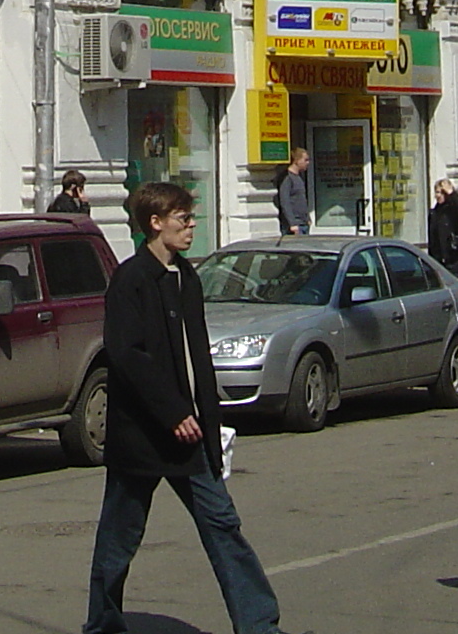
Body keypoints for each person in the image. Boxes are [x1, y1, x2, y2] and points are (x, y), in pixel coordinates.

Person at [84, 181, 282, 634]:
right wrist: (173, 412)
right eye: (183, 219)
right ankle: (102, 625)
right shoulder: (131, 280)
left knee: (223, 526)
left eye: (191, 218)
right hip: (145, 437)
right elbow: (128, 356)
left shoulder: (186, 276)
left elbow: (195, 360)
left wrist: (209, 422)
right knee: (119, 539)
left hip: (193, 437)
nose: (191, 226)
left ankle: (259, 626)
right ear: (155, 223)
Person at [428, 179, 458, 271]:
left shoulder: (453, 210)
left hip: (453, 261)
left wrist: (451, 192)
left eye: (442, 193)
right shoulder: (434, 212)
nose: (438, 195)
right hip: (438, 262)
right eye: (437, 192)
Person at [274, 150, 312, 236]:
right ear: (296, 160)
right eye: (305, 160)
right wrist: (292, 223)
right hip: (294, 226)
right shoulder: (287, 178)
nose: (308, 163)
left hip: (303, 223)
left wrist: (307, 218)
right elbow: (285, 201)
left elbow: (302, 200)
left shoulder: (300, 177)